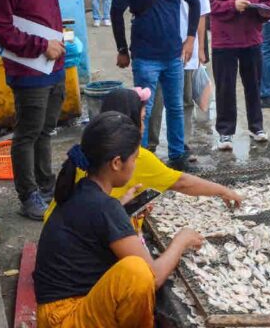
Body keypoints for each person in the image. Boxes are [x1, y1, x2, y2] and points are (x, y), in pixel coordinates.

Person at [34, 112, 204, 328]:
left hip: (54, 313)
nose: (135, 165)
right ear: (116, 163)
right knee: (138, 273)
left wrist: (122, 214)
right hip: (64, 319)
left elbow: (96, 226)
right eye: (134, 158)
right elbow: (153, 277)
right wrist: (181, 241)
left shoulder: (83, 191)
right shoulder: (104, 207)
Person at [0, 0, 89, 220]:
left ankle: (46, 187)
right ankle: (28, 194)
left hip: (53, 67)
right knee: (28, 133)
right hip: (28, 71)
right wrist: (40, 46)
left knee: (46, 130)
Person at [42, 87, 243, 221]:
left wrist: (125, 208)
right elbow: (181, 181)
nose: (143, 126)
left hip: (56, 232)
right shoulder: (134, 157)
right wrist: (224, 191)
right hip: (81, 251)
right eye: (142, 118)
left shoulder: (88, 148)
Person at [110, 0, 200, 162]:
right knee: (145, 111)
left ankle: (177, 155)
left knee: (176, 108)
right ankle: (141, 158)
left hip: (173, 56)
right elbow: (116, 11)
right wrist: (122, 49)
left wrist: (190, 38)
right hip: (145, 57)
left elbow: (195, 2)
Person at [207, 0, 270, 150]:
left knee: (253, 86)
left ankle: (257, 127)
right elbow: (210, 3)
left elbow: (268, 0)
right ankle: (225, 133)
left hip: (251, 39)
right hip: (224, 41)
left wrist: (263, 10)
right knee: (225, 88)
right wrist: (232, 6)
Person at [148, 0, 211, 154]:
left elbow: (202, 11)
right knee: (155, 101)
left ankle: (181, 145)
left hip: (187, 46)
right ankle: (150, 147)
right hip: (158, 46)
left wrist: (200, 47)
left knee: (184, 100)